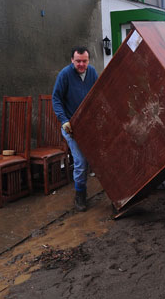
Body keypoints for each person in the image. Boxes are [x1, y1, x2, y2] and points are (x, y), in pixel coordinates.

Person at [52, 46, 98, 212]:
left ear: (88, 60)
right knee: (80, 161)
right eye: (78, 61)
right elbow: (56, 99)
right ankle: (80, 196)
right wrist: (64, 120)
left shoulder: (92, 73)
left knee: (99, 158)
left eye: (84, 61)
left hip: (88, 125)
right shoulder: (65, 75)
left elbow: (97, 94)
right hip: (71, 126)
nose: (81, 64)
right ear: (72, 60)